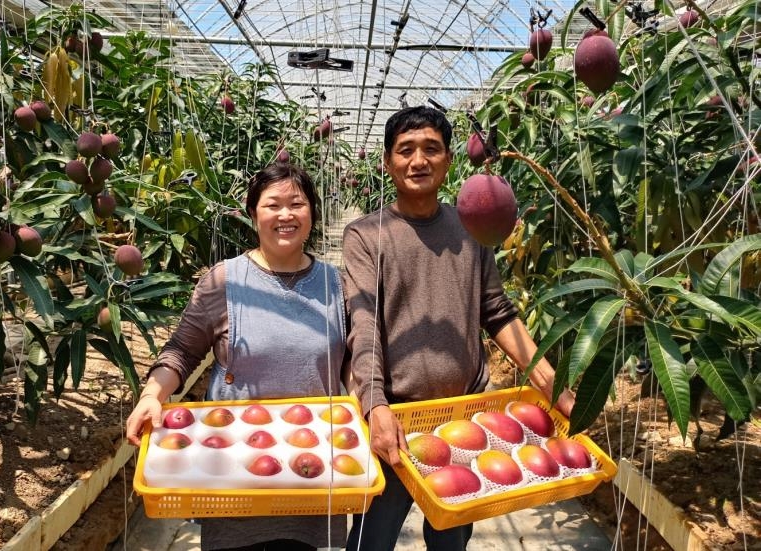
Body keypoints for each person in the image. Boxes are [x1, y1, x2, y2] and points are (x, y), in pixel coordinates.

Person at [343, 106, 575, 551]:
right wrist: (374, 404)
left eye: (431, 149)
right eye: (405, 150)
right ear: (388, 162)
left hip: (463, 419)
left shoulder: (471, 229)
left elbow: (496, 310)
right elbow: (364, 323)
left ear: (449, 160)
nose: (418, 161)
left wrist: (548, 377)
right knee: (372, 539)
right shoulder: (366, 235)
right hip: (397, 417)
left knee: (451, 539)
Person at [125, 162, 348, 551]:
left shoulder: (335, 283)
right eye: (272, 205)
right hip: (235, 463)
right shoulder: (226, 279)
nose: (285, 215)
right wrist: (151, 397)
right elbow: (182, 350)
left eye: (297, 204)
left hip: (311, 467)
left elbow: (353, 361)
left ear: (312, 211)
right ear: (252, 214)